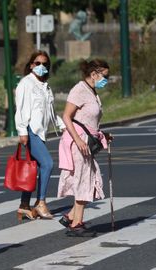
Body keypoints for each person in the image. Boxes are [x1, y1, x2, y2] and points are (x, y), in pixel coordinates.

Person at [57, 59, 113, 237]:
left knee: (88, 179)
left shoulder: (92, 91)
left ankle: (71, 216)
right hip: (78, 143)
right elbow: (67, 117)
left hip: (86, 141)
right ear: (94, 74)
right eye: (105, 75)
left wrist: (102, 135)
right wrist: (78, 140)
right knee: (84, 181)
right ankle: (76, 224)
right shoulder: (79, 90)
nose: (107, 79)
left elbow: (88, 121)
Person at [14, 50, 66, 221]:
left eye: (45, 64)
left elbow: (50, 110)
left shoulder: (45, 85)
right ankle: (40, 202)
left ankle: (23, 205)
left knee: (33, 168)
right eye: (38, 63)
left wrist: (62, 124)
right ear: (31, 65)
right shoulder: (25, 84)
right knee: (48, 163)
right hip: (30, 131)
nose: (41, 66)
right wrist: (22, 131)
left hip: (41, 132)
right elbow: (20, 109)